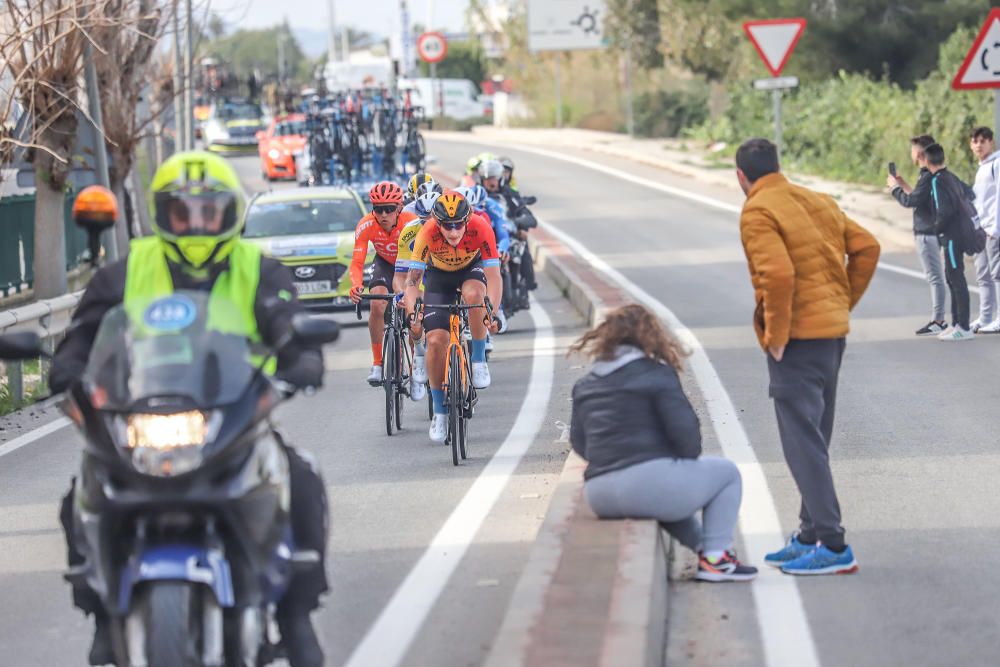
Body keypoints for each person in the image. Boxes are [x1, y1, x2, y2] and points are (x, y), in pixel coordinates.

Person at [50, 151, 330, 667]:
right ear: (163, 213)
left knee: (301, 478)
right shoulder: (126, 271)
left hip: (231, 414)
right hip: (138, 416)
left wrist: (302, 357)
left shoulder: (256, 268)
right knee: (79, 495)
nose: (197, 223)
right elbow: (83, 336)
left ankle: (295, 614)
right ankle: (99, 613)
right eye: (184, 212)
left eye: (208, 211)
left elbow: (288, 322)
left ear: (229, 214)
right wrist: (64, 372)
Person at [736, 138, 879, 575]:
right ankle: (808, 534)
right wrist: (839, 303)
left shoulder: (758, 210)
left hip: (796, 341)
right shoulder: (818, 200)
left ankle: (834, 546)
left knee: (802, 444)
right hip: (831, 335)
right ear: (778, 165)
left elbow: (777, 273)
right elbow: (868, 247)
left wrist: (776, 334)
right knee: (815, 439)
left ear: (741, 177)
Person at [569, 304, 757, 582]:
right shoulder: (656, 373)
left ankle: (705, 550)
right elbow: (688, 441)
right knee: (727, 473)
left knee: (660, 493)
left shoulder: (586, 384)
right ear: (649, 336)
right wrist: (665, 460)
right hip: (647, 483)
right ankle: (718, 558)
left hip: (600, 495)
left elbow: (579, 443)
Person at [403, 191, 503, 442]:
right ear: (437, 223)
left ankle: (478, 358)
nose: (454, 231)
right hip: (439, 279)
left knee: (474, 294)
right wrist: (414, 311)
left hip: (472, 269)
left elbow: (494, 277)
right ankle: (440, 411)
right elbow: (412, 282)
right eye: (447, 226)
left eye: (458, 224)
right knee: (436, 341)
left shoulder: (481, 227)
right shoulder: (427, 233)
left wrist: (493, 312)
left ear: (468, 218)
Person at [349, 181, 418, 384]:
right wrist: (355, 284)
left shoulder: (411, 222)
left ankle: (416, 367)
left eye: (389, 209)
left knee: (412, 313)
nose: (384, 215)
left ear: (399, 208)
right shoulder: (366, 225)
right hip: (385, 264)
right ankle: (378, 363)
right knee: (376, 303)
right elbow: (356, 263)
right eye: (379, 210)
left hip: (409, 266)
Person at [888, 134, 947, 335]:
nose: (910, 154)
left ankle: (938, 320)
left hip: (927, 233)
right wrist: (903, 185)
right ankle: (938, 319)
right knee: (935, 276)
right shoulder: (928, 175)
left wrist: (895, 189)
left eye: (912, 150)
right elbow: (918, 199)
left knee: (935, 277)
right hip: (930, 231)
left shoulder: (927, 176)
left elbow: (910, 202)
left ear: (920, 153)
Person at [395, 189, 442, 401]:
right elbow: (401, 275)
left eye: (433, 220)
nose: (428, 225)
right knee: (415, 319)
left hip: (444, 275)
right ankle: (420, 356)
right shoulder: (409, 232)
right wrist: (402, 294)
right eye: (423, 220)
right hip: (419, 278)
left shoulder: (452, 229)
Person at [927, 143, 977, 341]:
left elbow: (944, 211)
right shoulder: (951, 177)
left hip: (951, 237)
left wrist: (936, 229)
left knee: (956, 279)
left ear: (927, 160)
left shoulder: (937, 181)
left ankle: (963, 327)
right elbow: (970, 193)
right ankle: (956, 323)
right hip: (958, 235)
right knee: (951, 277)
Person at [970, 127, 1000, 333]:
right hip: (980, 229)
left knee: (997, 274)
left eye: (983, 141)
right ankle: (985, 316)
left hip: (993, 229)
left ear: (991, 142)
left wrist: (996, 228)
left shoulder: (996, 164)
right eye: (975, 141)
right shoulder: (982, 167)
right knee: (983, 275)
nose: (979, 145)